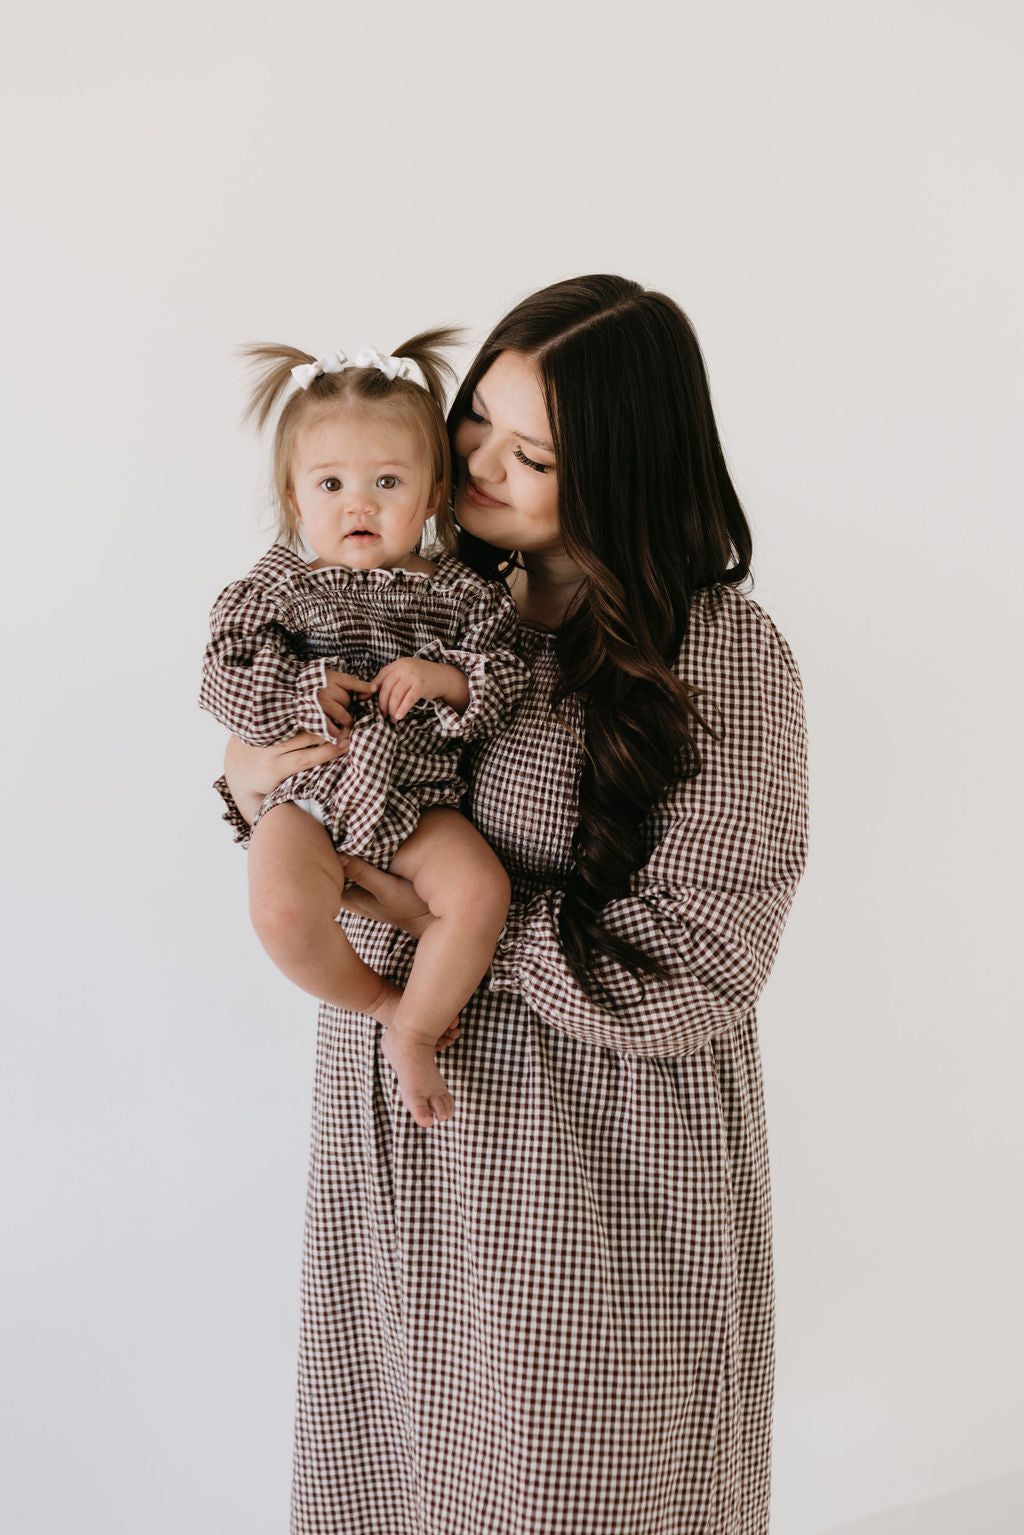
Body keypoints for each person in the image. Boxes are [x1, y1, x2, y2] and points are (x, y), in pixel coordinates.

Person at [220, 276, 809, 1534]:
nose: (475, 461)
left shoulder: (717, 650)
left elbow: (706, 958)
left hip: (595, 1164)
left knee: (581, 1488)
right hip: (406, 1142)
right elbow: (320, 796)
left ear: (623, 467)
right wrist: (257, 771)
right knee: (393, 1480)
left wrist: (461, 929)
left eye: (529, 449)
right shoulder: (419, 597)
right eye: (475, 417)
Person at [202, 333, 528, 1128]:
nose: (360, 504)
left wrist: (444, 678)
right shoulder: (278, 588)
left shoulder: (461, 592)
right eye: (332, 483)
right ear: (294, 498)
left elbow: (507, 677)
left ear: (431, 496)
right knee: (280, 909)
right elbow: (224, 675)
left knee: (480, 891)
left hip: (418, 799)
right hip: (310, 796)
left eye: (387, 481)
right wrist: (303, 691)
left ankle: (418, 1025)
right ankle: (381, 1001)